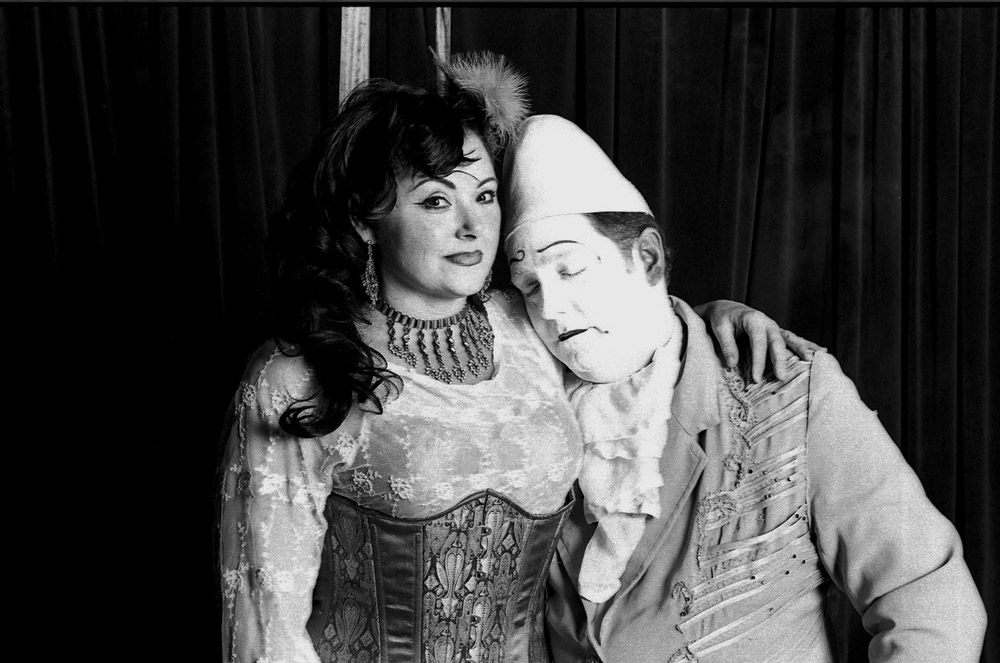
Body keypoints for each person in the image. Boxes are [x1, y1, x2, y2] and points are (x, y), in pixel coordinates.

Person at [218, 53, 813, 663]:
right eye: (435, 202)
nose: (473, 226)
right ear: (365, 219)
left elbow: (640, 338)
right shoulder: (299, 375)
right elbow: (265, 628)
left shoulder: (528, 325)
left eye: (484, 195)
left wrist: (718, 318)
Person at [501, 113, 988, 663]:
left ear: (647, 257)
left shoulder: (788, 392)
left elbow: (930, 597)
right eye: (530, 287)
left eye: (569, 269)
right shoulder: (528, 413)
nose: (550, 307)